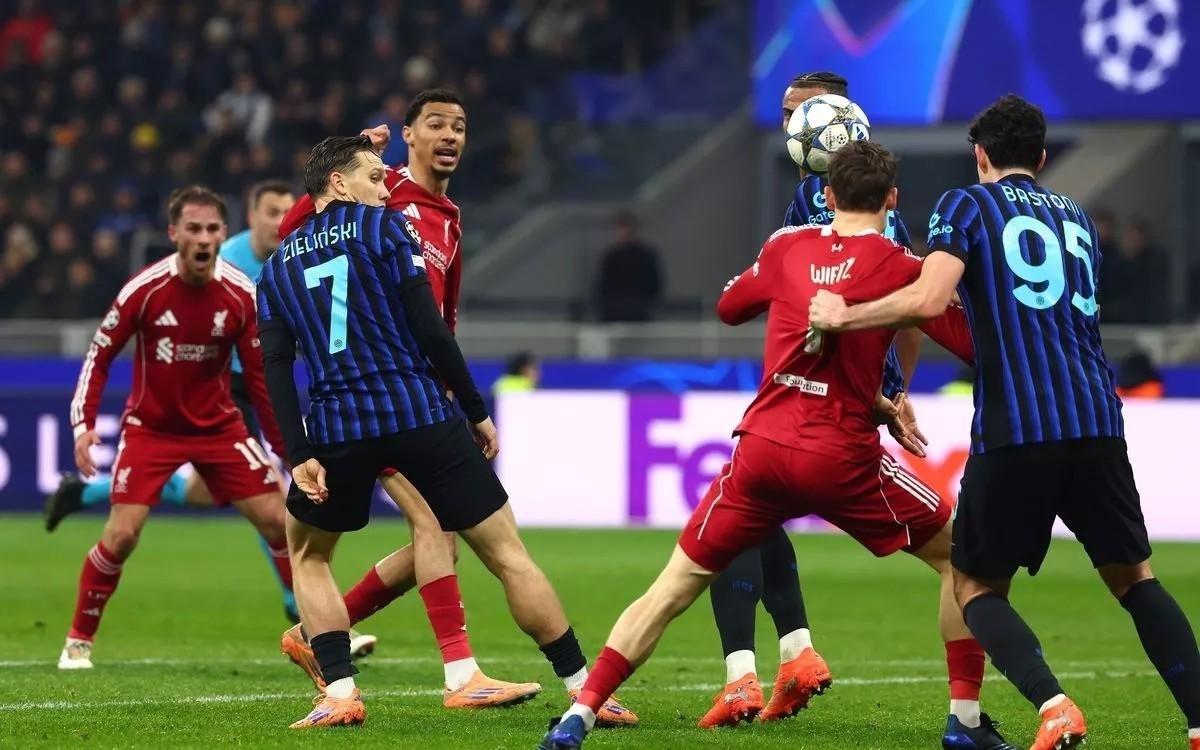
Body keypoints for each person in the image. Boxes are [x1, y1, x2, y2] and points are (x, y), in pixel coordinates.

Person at [539, 141, 1011, 750]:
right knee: (963, 559)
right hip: (841, 458)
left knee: (671, 588)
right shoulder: (904, 267)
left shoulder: (787, 246)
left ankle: (578, 716)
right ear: (892, 199)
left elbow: (729, 306)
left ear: (828, 195)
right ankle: (965, 720)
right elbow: (970, 341)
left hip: (762, 448)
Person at [808, 95, 1200, 750]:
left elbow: (930, 299)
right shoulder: (1077, 217)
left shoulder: (966, 205)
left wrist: (844, 315)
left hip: (1019, 424)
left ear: (980, 155)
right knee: (1135, 579)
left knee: (973, 585)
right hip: (1098, 420)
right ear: (1041, 158)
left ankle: (1054, 706)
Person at [260, 135, 633, 729]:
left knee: (308, 555)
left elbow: (277, 368)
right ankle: (584, 689)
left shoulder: (277, 267)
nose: (386, 188)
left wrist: (297, 451)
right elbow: (430, 329)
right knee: (507, 553)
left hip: (336, 426)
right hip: (418, 411)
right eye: (375, 177)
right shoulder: (387, 228)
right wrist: (475, 409)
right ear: (338, 183)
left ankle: (340, 693)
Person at [700, 71, 989, 750]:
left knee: (741, 517)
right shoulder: (841, 198)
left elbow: (906, 305)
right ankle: (795, 654)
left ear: (835, 121)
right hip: (830, 391)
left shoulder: (836, 200)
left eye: (800, 115)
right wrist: (896, 388)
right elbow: (903, 307)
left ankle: (748, 674)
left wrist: (891, 391)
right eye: (787, 115)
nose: (790, 128)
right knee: (754, 516)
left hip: (828, 396)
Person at [41, 180, 331, 633]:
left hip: (240, 390)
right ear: (250, 218)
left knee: (229, 499)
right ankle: (305, 612)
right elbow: (104, 351)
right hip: (217, 389)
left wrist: (292, 445)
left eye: (286, 213)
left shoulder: (290, 257)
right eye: (271, 212)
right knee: (264, 504)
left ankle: (86, 493)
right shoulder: (223, 262)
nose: (280, 222)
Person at [594, 211, 663, 322]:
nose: (622, 232)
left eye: (625, 228)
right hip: (613, 313)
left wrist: (646, 305)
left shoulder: (645, 256)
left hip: (638, 312)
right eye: (619, 229)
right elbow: (602, 286)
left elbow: (654, 284)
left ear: (633, 230)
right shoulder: (611, 256)